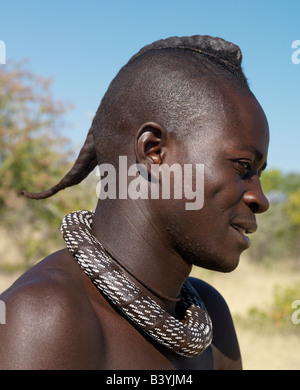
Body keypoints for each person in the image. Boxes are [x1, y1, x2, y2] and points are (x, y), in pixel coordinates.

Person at [0, 35, 269, 370]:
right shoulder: (44, 318)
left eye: (259, 173)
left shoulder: (210, 318)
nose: (260, 199)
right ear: (154, 152)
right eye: (244, 167)